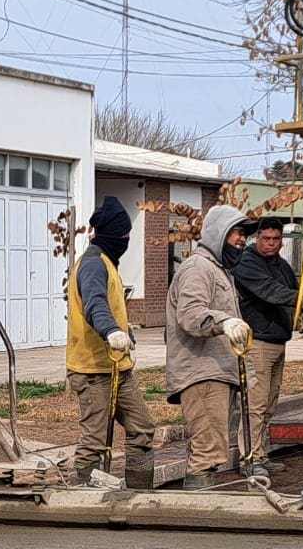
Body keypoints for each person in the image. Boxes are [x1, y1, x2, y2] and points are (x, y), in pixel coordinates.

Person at [66, 194, 154, 484]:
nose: (127, 239)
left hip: (117, 366)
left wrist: (125, 334)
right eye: (124, 234)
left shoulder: (108, 262)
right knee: (96, 438)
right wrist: (111, 332)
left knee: (141, 428)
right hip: (92, 370)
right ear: (114, 234)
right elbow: (95, 305)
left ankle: (140, 494)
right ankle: (86, 497)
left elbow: (112, 307)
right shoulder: (93, 265)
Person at [165, 203, 251, 487]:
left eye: (243, 234)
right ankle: (196, 519)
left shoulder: (220, 271)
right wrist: (225, 322)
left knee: (213, 450)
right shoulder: (198, 268)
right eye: (236, 232)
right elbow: (190, 314)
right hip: (201, 374)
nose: (242, 239)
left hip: (216, 372)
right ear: (218, 233)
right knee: (207, 452)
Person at [230, 215, 297, 467]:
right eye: (265, 238)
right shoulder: (247, 262)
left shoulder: (282, 265)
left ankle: (260, 454)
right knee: (255, 405)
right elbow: (271, 291)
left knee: (269, 404)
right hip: (257, 342)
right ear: (256, 238)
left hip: (278, 341)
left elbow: (291, 291)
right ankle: (250, 458)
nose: (271, 243)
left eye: (276, 239)